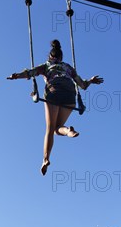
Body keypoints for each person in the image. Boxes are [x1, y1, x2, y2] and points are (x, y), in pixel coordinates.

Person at [7, 39, 104, 175]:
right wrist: (91, 81)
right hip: (70, 95)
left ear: (50, 57)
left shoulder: (46, 66)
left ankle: (45, 159)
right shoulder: (69, 68)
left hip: (54, 92)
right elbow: (83, 85)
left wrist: (16, 76)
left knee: (50, 129)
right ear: (61, 57)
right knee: (57, 129)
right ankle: (68, 131)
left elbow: (29, 73)